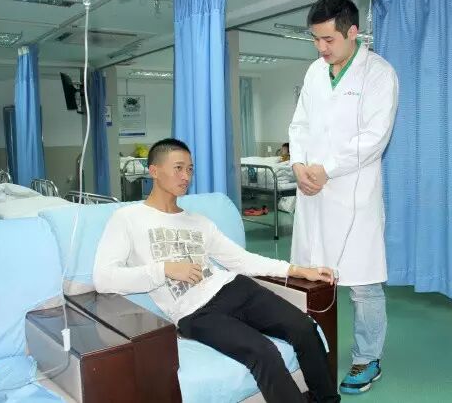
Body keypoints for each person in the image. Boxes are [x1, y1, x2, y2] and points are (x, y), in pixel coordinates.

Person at [94, 138, 341, 403]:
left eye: (190, 169)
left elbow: (241, 260)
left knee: (304, 328)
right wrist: (164, 269)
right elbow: (103, 278)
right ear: (154, 170)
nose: (186, 176)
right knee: (263, 352)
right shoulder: (128, 219)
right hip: (195, 313)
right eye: (178, 168)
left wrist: (298, 270)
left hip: (235, 289)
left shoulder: (198, 221)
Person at [288, 0, 399, 395]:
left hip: (353, 193)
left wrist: (326, 168)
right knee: (310, 278)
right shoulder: (315, 72)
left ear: (352, 32)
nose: (321, 48)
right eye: (315, 39)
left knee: (363, 285)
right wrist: (298, 165)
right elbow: (299, 124)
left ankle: (367, 359)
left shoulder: (379, 74)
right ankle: (312, 348)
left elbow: (374, 137)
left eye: (328, 39)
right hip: (312, 191)